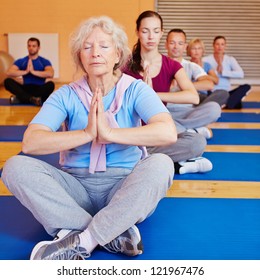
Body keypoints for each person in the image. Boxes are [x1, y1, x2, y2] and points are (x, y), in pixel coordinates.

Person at [1, 16, 177, 260]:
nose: (95, 53)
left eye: (104, 46)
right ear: (80, 57)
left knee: (162, 164)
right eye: (87, 47)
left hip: (123, 188)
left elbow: (167, 132)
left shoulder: (136, 89)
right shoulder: (65, 95)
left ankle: (84, 239)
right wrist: (86, 134)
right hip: (75, 190)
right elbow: (31, 142)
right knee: (14, 167)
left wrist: (110, 134)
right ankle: (114, 230)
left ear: (117, 55)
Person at [124, 10, 213, 175]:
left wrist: (152, 94)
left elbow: (192, 96)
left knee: (196, 142)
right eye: (145, 31)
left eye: (156, 31)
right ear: (137, 32)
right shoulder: (125, 65)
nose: (151, 36)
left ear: (161, 34)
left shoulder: (171, 65)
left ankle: (144, 161)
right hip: (131, 135)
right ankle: (174, 164)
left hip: (158, 133)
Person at [165, 28, 221, 139]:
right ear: (166, 45)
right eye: (172, 43)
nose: (176, 47)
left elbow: (209, 84)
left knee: (214, 108)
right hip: (164, 111)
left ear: (185, 46)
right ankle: (192, 130)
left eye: (180, 43)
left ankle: (180, 130)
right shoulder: (158, 64)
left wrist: (184, 86)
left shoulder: (191, 66)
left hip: (187, 112)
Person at [203, 35, 251, 109]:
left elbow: (241, 74)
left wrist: (223, 72)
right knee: (238, 105)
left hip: (227, 92)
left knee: (246, 86)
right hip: (212, 92)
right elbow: (202, 75)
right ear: (213, 45)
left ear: (225, 46)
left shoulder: (230, 59)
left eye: (222, 44)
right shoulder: (206, 60)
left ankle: (224, 104)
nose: (220, 47)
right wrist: (215, 72)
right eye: (217, 44)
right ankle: (230, 103)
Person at [4, 37, 55, 106]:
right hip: (25, 88)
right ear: (27, 47)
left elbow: (50, 74)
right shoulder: (22, 61)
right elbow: (9, 72)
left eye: (34, 46)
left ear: (38, 48)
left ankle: (22, 99)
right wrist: (26, 71)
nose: (31, 48)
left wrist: (33, 72)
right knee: (7, 81)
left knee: (51, 84)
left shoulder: (44, 61)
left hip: (39, 88)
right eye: (29, 46)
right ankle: (33, 99)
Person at [187, 37, 232, 107]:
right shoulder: (186, 65)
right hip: (190, 95)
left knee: (224, 93)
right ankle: (205, 107)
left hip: (204, 96)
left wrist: (203, 76)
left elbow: (216, 80)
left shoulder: (207, 65)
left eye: (199, 48)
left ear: (202, 51)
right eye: (194, 48)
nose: (197, 51)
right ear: (189, 51)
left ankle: (202, 107)